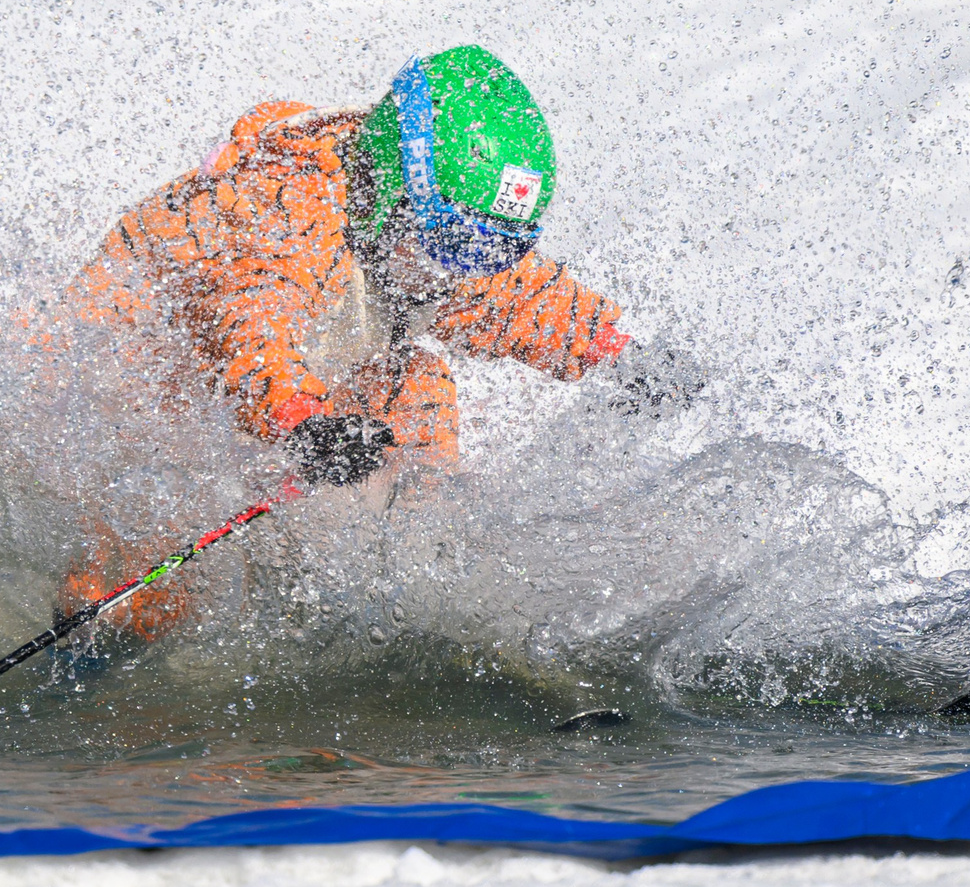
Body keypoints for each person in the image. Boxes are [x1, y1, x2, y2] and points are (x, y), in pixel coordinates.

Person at [34, 44, 688, 635]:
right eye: (456, 242)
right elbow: (249, 327)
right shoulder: (287, 204)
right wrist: (299, 421)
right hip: (138, 387)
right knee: (151, 585)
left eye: (492, 248)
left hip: (285, 396)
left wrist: (615, 353)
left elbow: (517, 294)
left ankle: (419, 597)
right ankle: (95, 660)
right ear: (391, 186)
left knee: (416, 390)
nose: (464, 268)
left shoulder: (433, 242)